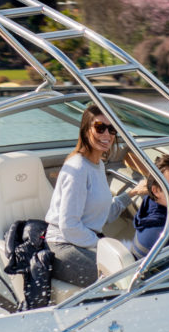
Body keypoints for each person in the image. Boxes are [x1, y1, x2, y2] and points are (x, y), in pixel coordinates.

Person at [44, 104, 152, 287]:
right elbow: (69, 226)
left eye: (112, 129)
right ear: (86, 130)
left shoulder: (98, 165)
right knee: (125, 282)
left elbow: (104, 214)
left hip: (83, 242)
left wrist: (133, 192)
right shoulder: (78, 168)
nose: (107, 135)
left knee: (139, 271)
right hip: (63, 246)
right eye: (100, 127)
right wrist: (103, 245)